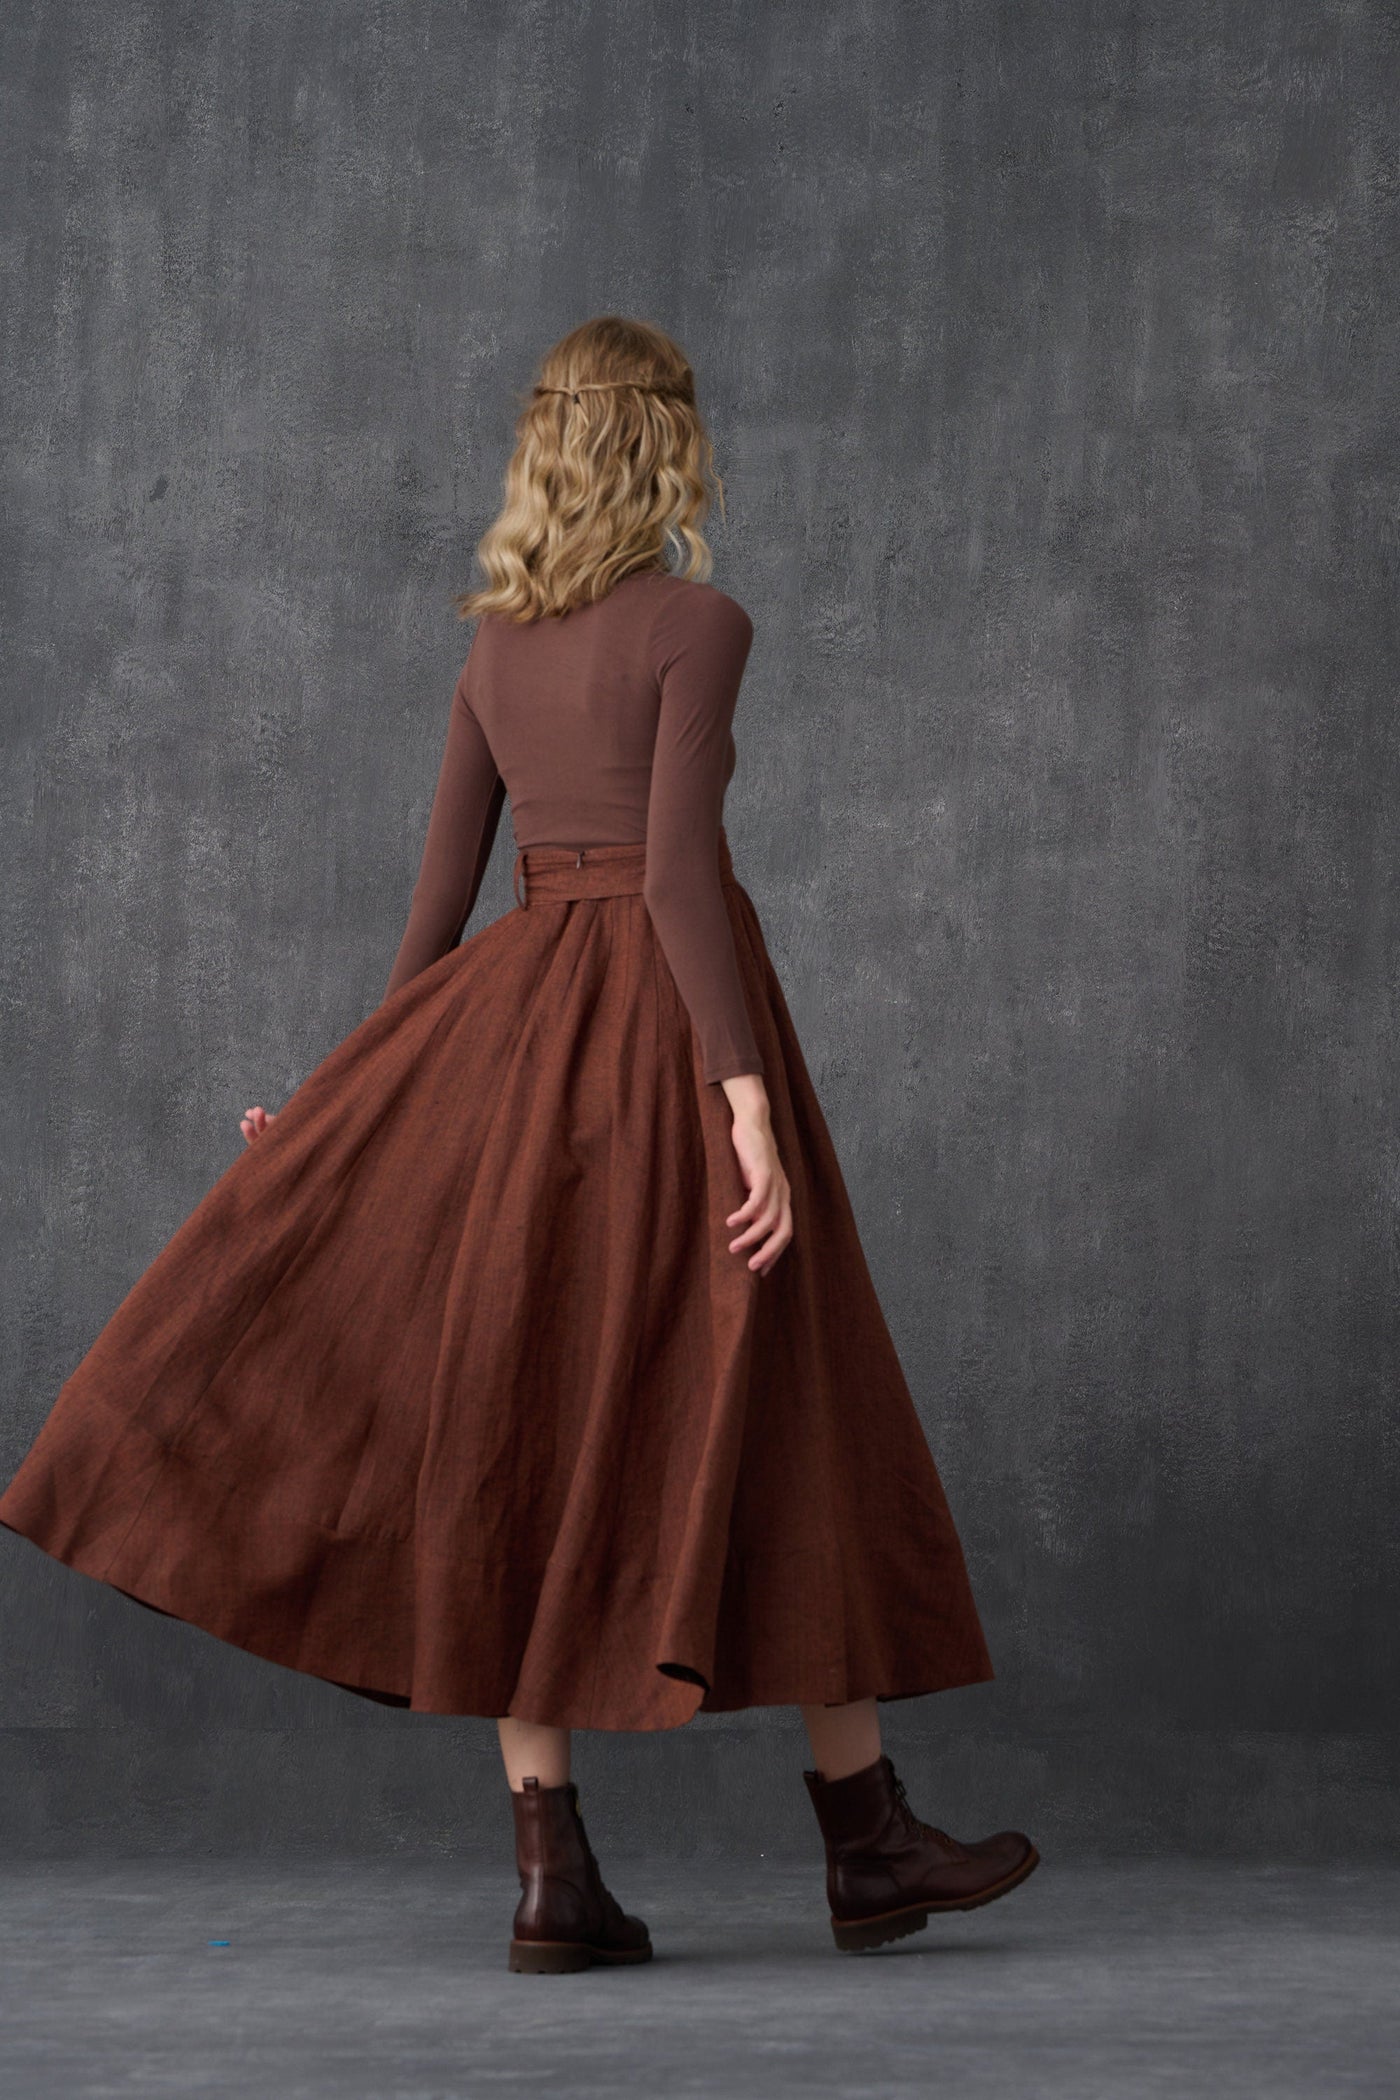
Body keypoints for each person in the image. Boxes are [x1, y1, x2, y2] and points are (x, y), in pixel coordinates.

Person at [0, 314, 1038, 1971]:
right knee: (788, 1389)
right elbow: (677, 873)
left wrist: (347, 1099)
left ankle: (554, 1872)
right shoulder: (700, 624)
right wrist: (744, 1097)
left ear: (549, 444)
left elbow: (438, 905)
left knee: (514, 1413)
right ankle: (867, 1842)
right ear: (666, 442)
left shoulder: (496, 646)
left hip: (514, 1042)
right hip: (668, 1038)